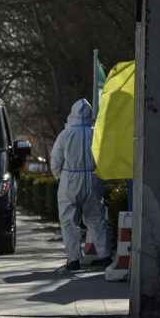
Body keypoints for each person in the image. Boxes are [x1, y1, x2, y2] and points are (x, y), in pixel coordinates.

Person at [50, 99, 112, 271]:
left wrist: (59, 178)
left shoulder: (66, 134)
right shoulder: (97, 133)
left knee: (69, 221)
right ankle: (106, 256)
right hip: (93, 179)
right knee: (96, 220)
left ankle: (74, 260)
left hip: (70, 179)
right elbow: (105, 157)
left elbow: (55, 161)